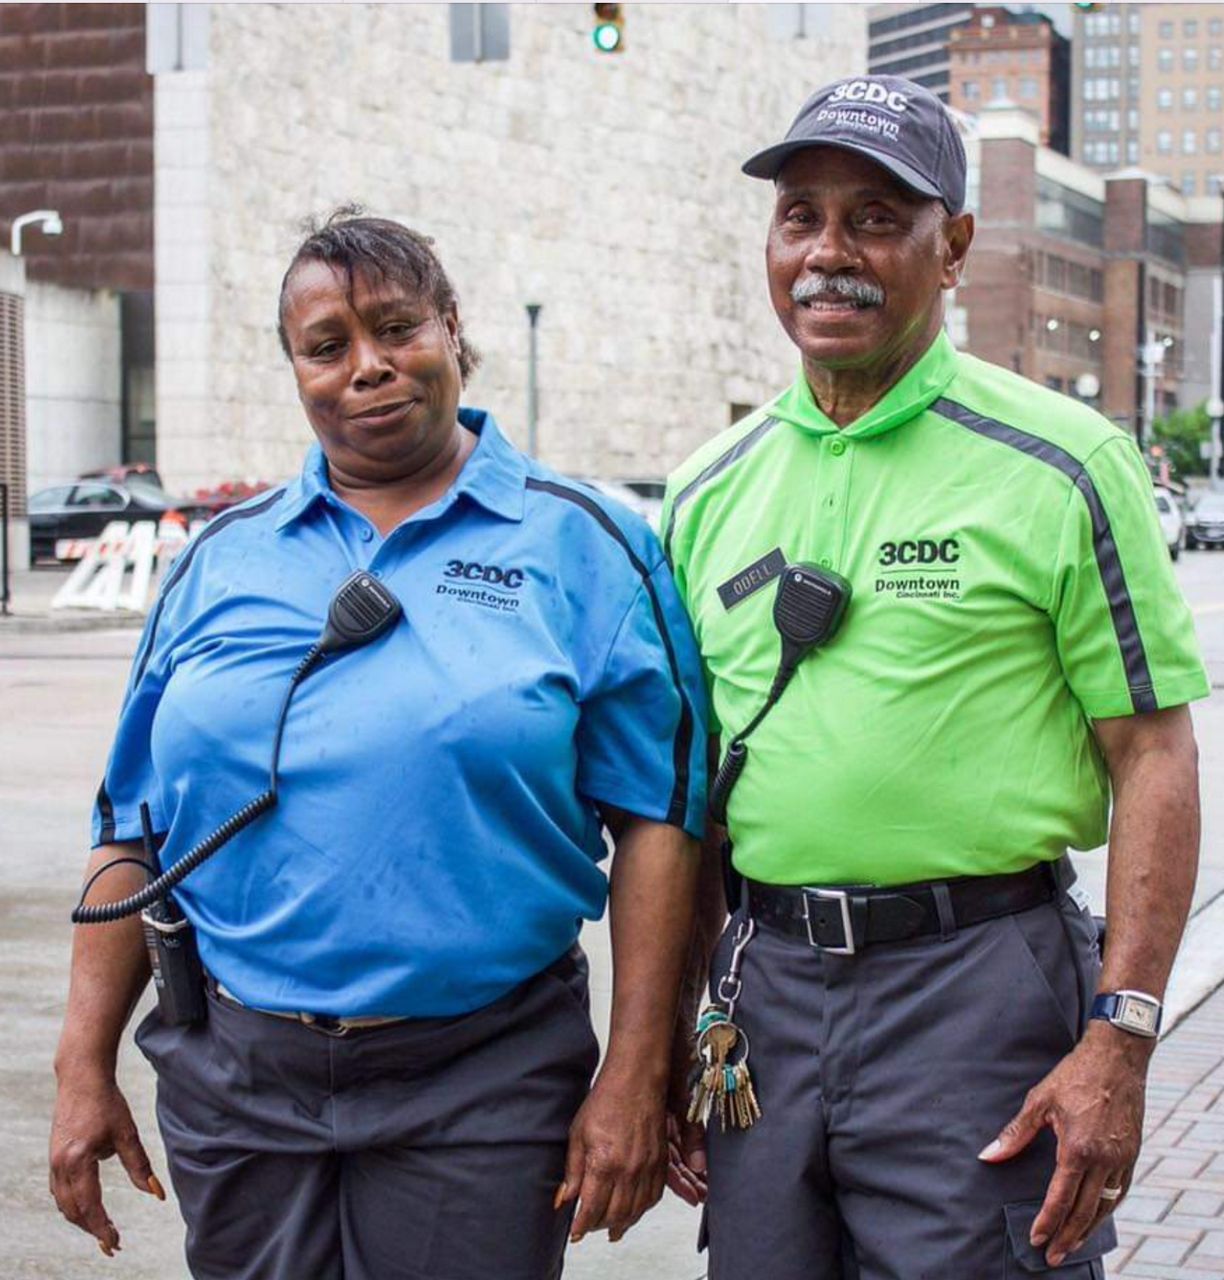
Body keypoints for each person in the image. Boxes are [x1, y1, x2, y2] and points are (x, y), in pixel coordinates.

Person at [49, 209, 707, 1280]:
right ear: (296, 370)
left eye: (398, 327)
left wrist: (636, 1070)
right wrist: (81, 1065)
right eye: (327, 346)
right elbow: (131, 827)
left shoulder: (585, 541)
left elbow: (661, 822)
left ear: (453, 329)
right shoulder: (222, 558)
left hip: (482, 1075)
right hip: (239, 1077)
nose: (368, 367)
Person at [662, 75, 1207, 1279]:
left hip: (978, 991)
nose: (828, 254)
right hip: (766, 988)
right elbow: (688, 794)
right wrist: (673, 1029)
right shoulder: (707, 489)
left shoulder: (1066, 465)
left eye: (874, 218)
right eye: (800, 216)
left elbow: (1154, 753)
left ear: (952, 245)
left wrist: (1121, 1039)